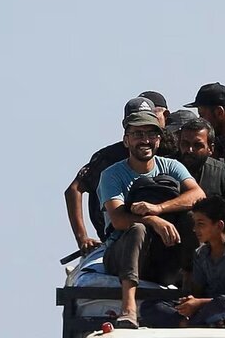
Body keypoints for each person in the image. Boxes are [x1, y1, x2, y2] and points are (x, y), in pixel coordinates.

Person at [98, 108, 206, 328]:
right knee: (137, 229)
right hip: (122, 255)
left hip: (164, 256)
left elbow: (198, 195)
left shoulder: (172, 166)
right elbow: (118, 220)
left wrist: (158, 209)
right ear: (126, 140)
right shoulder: (112, 175)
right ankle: (128, 308)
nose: (145, 140)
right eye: (138, 134)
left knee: (191, 219)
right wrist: (151, 220)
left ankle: (189, 291)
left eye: (151, 134)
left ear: (159, 139)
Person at [64, 96, 162, 252]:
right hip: (115, 238)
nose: (144, 139)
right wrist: (82, 238)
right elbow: (74, 189)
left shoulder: (166, 155)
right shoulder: (107, 158)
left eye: (149, 130)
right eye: (137, 130)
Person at [142, 195, 225, 328]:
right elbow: (198, 292)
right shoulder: (200, 253)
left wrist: (200, 303)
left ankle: (190, 323)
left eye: (200, 224)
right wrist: (190, 302)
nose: (194, 229)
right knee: (149, 306)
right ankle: (194, 323)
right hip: (206, 309)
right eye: (194, 223)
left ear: (219, 225)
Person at [176, 117, 225, 201]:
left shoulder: (222, 172)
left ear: (210, 148)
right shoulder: (166, 168)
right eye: (185, 144)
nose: (190, 150)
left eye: (197, 145)